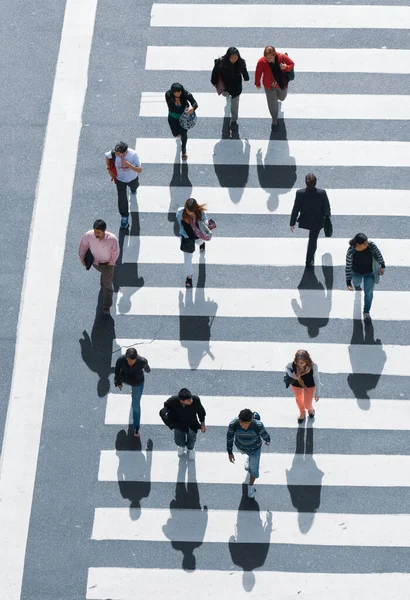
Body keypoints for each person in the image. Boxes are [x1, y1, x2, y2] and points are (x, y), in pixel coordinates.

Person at [227, 409, 271, 499]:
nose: (245, 426)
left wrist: (268, 440)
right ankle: (249, 459)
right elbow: (229, 438)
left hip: (255, 449)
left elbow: (264, 434)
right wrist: (230, 452)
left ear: (252, 420)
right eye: (243, 423)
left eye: (248, 423)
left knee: (254, 470)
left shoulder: (257, 425)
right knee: (249, 458)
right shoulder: (233, 424)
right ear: (239, 420)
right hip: (241, 447)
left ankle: (250, 486)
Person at [78, 219, 120, 315]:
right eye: (95, 232)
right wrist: (82, 259)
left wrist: (111, 262)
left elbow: (116, 252)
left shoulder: (112, 239)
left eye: (99, 233)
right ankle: (103, 280)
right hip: (95, 263)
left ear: (104, 231)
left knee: (107, 285)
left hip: (107, 265)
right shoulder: (89, 235)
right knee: (104, 280)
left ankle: (106, 306)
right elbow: (83, 247)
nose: (96, 235)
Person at [290, 173, 331, 267]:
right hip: (318, 221)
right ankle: (309, 260)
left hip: (305, 220)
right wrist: (327, 216)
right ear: (315, 183)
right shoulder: (322, 193)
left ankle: (309, 260)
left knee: (312, 240)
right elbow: (326, 207)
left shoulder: (300, 193)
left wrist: (292, 222)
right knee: (313, 240)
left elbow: (296, 208)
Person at [345, 233, 385, 321]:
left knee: (369, 292)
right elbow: (348, 266)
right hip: (356, 273)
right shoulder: (351, 252)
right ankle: (357, 286)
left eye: (367, 242)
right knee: (356, 282)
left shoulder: (371, 246)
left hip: (370, 273)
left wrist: (383, 265)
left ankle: (366, 311)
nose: (367, 245)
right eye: (365, 244)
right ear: (358, 244)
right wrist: (348, 281)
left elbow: (378, 255)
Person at [254, 45, 294, 130]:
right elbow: (258, 72)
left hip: (281, 84)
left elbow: (292, 64)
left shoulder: (282, 58)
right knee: (272, 104)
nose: (268, 60)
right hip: (269, 86)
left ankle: (278, 102)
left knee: (282, 98)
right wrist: (257, 83)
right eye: (266, 58)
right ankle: (274, 120)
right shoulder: (262, 62)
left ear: (274, 55)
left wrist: (286, 67)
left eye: (270, 58)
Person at [114, 347, 151, 437]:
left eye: (133, 360)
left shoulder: (142, 361)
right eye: (129, 360)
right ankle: (133, 392)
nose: (131, 362)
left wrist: (146, 368)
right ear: (126, 357)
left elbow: (148, 370)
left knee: (136, 405)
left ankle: (136, 428)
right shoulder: (121, 360)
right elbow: (116, 371)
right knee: (135, 400)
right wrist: (118, 382)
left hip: (137, 383)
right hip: (125, 379)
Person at [105, 141, 142, 229]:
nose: (118, 156)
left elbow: (139, 170)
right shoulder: (114, 153)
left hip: (132, 178)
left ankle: (133, 189)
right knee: (122, 198)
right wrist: (109, 170)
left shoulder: (133, 155)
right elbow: (107, 156)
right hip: (120, 179)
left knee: (135, 186)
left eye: (120, 155)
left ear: (125, 152)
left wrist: (128, 165)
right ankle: (124, 217)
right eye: (117, 154)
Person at [211, 46, 249, 129]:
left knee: (235, 105)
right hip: (225, 85)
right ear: (228, 57)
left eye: (236, 57)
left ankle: (234, 120)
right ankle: (227, 96)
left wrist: (246, 77)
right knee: (225, 94)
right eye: (232, 58)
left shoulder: (241, 62)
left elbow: (244, 70)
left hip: (236, 86)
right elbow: (215, 72)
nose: (234, 59)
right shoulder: (221, 61)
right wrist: (214, 82)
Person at [176, 198, 211, 288]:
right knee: (187, 258)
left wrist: (207, 225)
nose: (190, 214)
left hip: (198, 235)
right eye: (188, 211)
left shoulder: (200, 212)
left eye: (192, 212)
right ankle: (189, 277)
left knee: (200, 242)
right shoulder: (180, 213)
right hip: (186, 237)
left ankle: (202, 244)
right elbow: (181, 225)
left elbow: (205, 221)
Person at [164, 388, 206, 460]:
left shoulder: (195, 400)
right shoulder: (172, 401)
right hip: (179, 424)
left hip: (192, 424)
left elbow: (201, 412)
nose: (191, 401)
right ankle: (181, 446)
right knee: (178, 440)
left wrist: (202, 424)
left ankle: (190, 449)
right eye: (188, 400)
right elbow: (165, 410)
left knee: (192, 439)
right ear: (181, 401)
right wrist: (170, 423)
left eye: (191, 398)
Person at [285, 350, 320, 424]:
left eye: (302, 363)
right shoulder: (292, 364)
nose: (299, 365)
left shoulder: (313, 366)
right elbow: (287, 368)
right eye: (298, 362)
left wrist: (318, 393)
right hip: (296, 383)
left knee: (307, 403)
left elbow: (316, 378)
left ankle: (310, 409)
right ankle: (302, 412)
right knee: (299, 399)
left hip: (309, 384)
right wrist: (292, 376)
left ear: (307, 361)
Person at [165, 83, 198, 161]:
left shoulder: (185, 94)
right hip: (173, 118)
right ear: (173, 92)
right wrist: (176, 101)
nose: (178, 95)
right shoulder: (168, 95)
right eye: (176, 93)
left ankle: (183, 149)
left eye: (179, 93)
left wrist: (192, 108)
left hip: (184, 119)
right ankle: (179, 135)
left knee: (184, 134)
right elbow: (171, 108)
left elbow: (195, 103)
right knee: (175, 134)